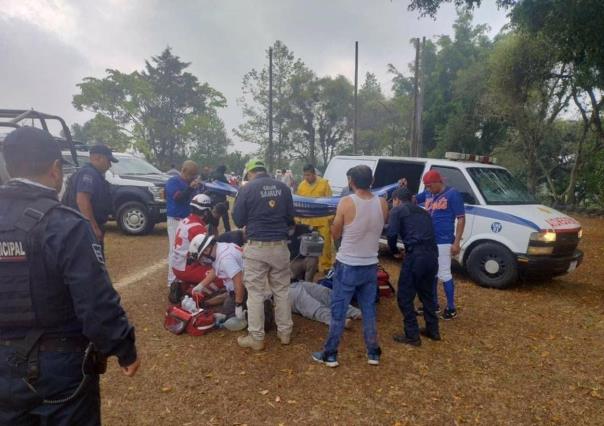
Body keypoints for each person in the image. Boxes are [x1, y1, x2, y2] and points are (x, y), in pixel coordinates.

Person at [0, 127, 139, 425]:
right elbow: (94, 302)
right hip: (58, 365)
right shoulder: (65, 225)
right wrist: (123, 347)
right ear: (55, 169)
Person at [312, 165, 388, 368]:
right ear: (371, 181)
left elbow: (336, 234)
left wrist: (331, 223)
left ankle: (330, 354)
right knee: (369, 309)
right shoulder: (382, 203)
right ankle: (373, 352)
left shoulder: (346, 202)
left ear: (351, 181)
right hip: (370, 263)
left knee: (339, 310)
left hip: (348, 264)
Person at [232, 158, 295, 351]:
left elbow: (238, 219)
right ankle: (285, 334)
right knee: (282, 291)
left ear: (250, 173)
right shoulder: (283, 188)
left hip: (257, 246)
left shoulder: (247, 189)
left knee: (256, 293)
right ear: (264, 170)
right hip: (280, 245)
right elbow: (290, 216)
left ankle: (257, 337)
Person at [387, 188, 440, 346]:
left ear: (396, 199)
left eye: (393, 201)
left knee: (404, 296)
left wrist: (394, 251)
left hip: (416, 256)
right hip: (432, 255)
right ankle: (433, 330)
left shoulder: (398, 210)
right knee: (427, 294)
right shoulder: (423, 212)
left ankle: (412, 335)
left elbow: (391, 234)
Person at [416, 170, 466, 320]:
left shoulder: (453, 194)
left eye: (430, 186)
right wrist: (400, 187)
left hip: (444, 241)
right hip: (429, 240)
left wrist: (456, 242)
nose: (428, 189)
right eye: (426, 186)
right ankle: (433, 304)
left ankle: (451, 308)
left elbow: (461, 219)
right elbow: (412, 200)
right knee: (432, 273)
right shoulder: (427, 193)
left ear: (439, 182)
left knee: (444, 274)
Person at [62, 144, 117, 252]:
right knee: (90, 263)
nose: (110, 165)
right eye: (108, 161)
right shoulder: (88, 173)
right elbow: (82, 200)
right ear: (98, 158)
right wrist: (93, 227)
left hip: (84, 227)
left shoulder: (94, 174)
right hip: (83, 229)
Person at [190, 234, 247, 323]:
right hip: (245, 284)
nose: (202, 260)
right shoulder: (220, 248)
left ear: (207, 250)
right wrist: (201, 285)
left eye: (201, 257)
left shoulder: (225, 259)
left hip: (247, 288)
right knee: (227, 308)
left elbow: (239, 281)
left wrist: (238, 304)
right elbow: (215, 269)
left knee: (230, 317)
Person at [165, 160, 200, 285]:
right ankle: (172, 281)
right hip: (175, 219)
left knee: (189, 250)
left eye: (194, 175)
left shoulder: (191, 183)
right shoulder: (173, 181)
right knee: (175, 250)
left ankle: (183, 278)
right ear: (183, 170)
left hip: (187, 220)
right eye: (191, 174)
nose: (192, 177)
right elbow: (178, 198)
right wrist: (190, 188)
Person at [296, 164, 334, 273]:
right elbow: (299, 202)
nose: (306, 177)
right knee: (308, 246)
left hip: (322, 221)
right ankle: (312, 266)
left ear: (314, 174)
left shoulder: (324, 184)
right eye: (304, 175)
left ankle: (326, 267)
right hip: (307, 222)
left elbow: (330, 201)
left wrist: (329, 218)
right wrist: (298, 219)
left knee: (325, 246)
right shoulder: (301, 186)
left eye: (308, 175)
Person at [171, 194, 215, 284]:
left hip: (178, 264)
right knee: (221, 274)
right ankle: (191, 295)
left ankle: (185, 286)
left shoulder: (185, 220)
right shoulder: (197, 228)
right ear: (206, 212)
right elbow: (208, 255)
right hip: (186, 268)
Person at [289, 281, 361, 327]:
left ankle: (353, 312)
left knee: (324, 292)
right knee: (312, 305)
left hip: (296, 282)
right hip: (284, 291)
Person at [208, 164, 231, 232]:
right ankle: (227, 230)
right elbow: (227, 186)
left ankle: (211, 229)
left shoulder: (212, 174)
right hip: (221, 198)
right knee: (224, 216)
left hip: (211, 197)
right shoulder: (222, 177)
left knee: (213, 215)